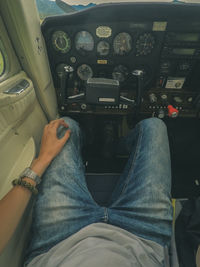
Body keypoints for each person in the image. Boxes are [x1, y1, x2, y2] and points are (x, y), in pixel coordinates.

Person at [0, 117, 173, 266]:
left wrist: (41, 161)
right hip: (142, 241)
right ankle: (111, 145)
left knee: (65, 126)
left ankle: (93, 141)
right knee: (154, 127)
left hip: (60, 241)